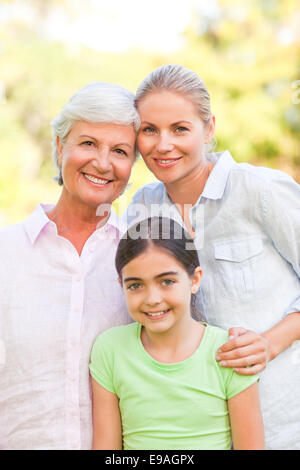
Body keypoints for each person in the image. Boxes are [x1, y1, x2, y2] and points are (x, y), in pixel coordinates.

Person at [126, 64, 300, 450]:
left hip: (282, 421)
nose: (163, 144)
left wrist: (270, 342)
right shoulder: (142, 207)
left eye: (180, 129)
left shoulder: (258, 190)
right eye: (149, 130)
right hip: (202, 428)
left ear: (209, 129)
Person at [0, 81, 140, 449]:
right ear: (61, 146)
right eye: (88, 143)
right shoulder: (5, 253)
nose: (103, 163)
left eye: (121, 151)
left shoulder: (143, 260)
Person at [89, 217, 264, 450]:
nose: (152, 299)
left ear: (195, 279)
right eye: (135, 285)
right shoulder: (110, 349)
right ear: (121, 285)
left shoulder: (230, 351)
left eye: (167, 281)